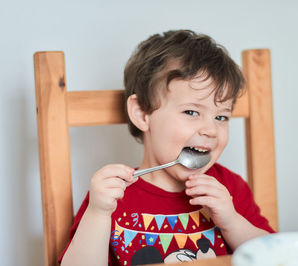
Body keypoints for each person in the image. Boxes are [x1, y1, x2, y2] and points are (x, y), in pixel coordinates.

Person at [60, 30, 274, 266]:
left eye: (222, 117)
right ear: (142, 114)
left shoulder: (229, 189)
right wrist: (98, 213)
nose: (211, 130)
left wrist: (232, 221)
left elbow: (277, 257)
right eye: (192, 112)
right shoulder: (110, 197)